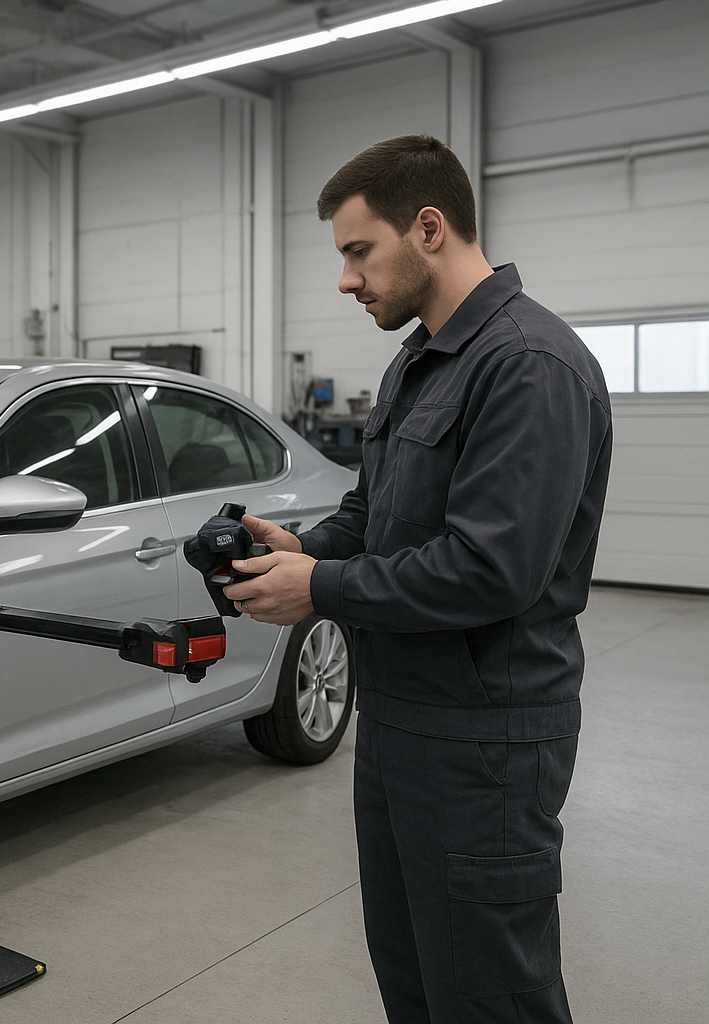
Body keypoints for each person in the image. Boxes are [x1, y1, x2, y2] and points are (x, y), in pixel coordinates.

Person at [224, 135, 612, 1024]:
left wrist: (318, 593)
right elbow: (375, 513)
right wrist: (304, 549)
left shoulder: (528, 365)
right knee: (415, 982)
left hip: (486, 745)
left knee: (487, 998)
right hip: (399, 723)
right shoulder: (419, 360)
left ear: (428, 228)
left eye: (359, 251)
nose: (346, 279)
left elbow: (490, 570)